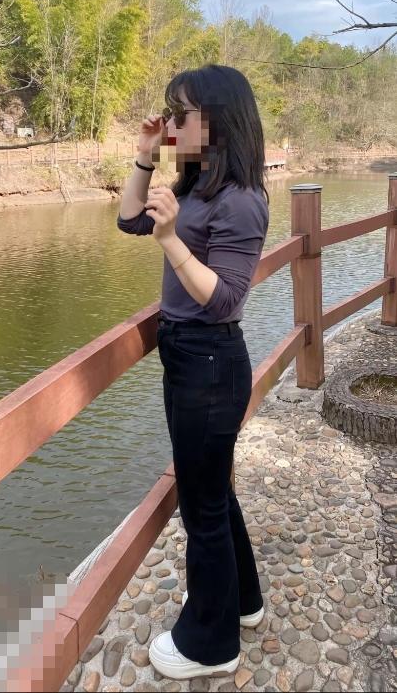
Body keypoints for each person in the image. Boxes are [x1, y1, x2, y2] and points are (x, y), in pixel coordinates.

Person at [117, 63, 269, 681]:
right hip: (187, 356)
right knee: (212, 494)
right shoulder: (196, 185)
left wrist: (172, 240)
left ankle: (211, 644)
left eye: (182, 114)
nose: (172, 123)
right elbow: (129, 219)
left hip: (210, 360)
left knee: (201, 505)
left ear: (219, 120)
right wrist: (145, 155)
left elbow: (226, 299)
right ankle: (243, 601)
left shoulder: (242, 200)